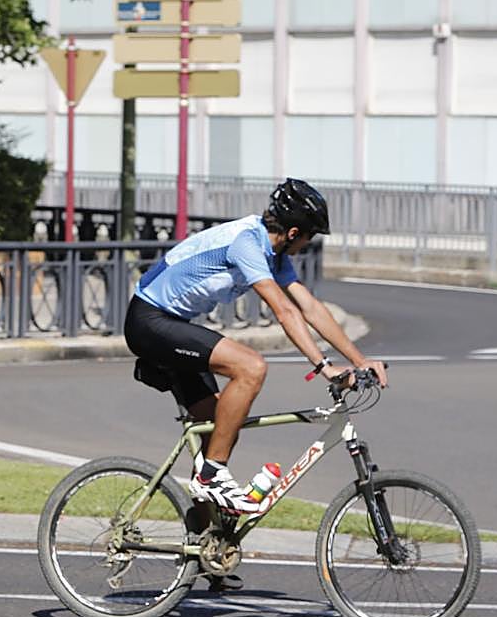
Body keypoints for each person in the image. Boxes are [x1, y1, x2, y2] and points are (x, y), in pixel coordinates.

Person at [124, 178, 388, 515]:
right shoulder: (246, 242)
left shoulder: (274, 254)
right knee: (251, 367)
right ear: (294, 233)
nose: (307, 244)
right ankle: (211, 476)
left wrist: (359, 360)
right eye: (309, 236)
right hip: (150, 321)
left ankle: (204, 540)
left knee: (220, 423)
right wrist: (325, 367)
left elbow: (310, 308)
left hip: (172, 324)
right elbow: (285, 310)